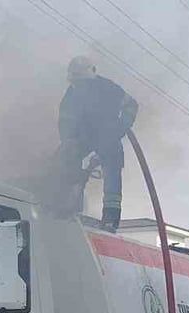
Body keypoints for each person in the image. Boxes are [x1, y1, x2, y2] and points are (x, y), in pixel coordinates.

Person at [58, 55, 139, 231]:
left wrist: (119, 128)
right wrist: (68, 141)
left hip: (108, 136)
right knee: (65, 160)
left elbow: (131, 105)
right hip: (85, 137)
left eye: (81, 82)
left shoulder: (108, 88)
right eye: (76, 82)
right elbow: (64, 120)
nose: (78, 86)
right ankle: (70, 206)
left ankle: (110, 218)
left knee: (112, 173)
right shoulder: (71, 93)